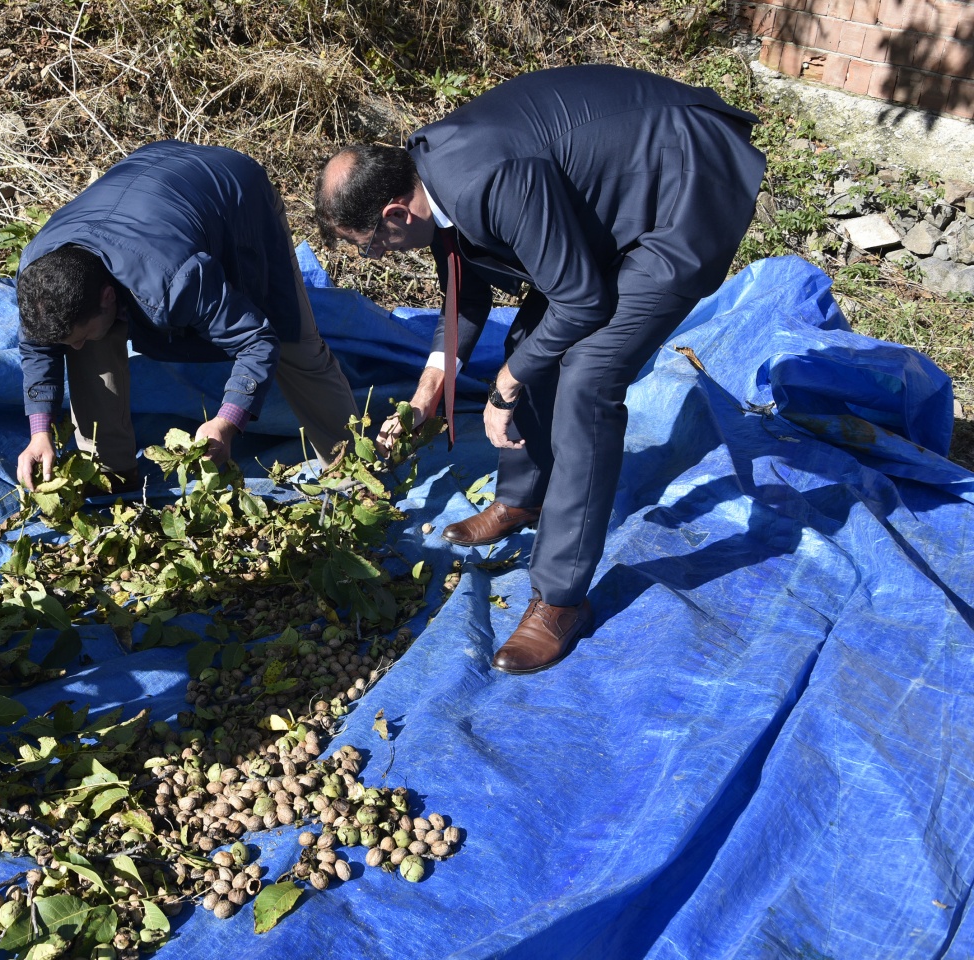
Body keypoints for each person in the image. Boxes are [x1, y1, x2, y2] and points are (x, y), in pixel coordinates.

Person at [315, 65, 765, 674]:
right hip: (623, 185)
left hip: (686, 188)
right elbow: (465, 291)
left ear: (396, 213)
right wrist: (426, 396)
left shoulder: (486, 179)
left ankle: (560, 599)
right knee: (530, 340)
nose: (373, 256)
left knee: (587, 379)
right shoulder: (432, 175)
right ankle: (524, 498)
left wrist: (506, 384)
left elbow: (580, 297)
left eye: (366, 243)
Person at [14, 140, 358, 491]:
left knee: (292, 339)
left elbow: (256, 339)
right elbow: (39, 350)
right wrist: (40, 433)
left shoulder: (173, 279)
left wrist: (228, 420)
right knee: (84, 345)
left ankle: (353, 469)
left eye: (81, 333)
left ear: (107, 297)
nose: (78, 344)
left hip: (235, 193)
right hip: (146, 187)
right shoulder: (38, 277)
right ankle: (111, 477)